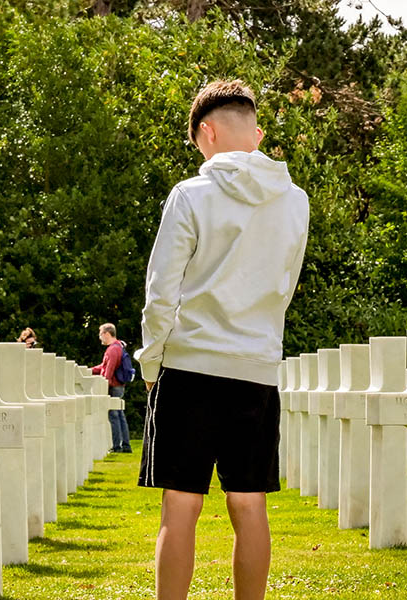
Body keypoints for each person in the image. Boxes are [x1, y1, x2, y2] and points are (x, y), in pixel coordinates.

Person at [134, 80, 309, 600]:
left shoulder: (190, 195)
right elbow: (285, 284)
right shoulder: (295, 201)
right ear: (254, 133)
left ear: (206, 132)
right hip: (255, 368)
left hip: (189, 367)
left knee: (181, 504)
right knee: (249, 502)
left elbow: (161, 292)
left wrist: (150, 364)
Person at [91, 323, 132, 453]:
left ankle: (117, 446)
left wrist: (104, 384)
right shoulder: (118, 346)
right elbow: (104, 366)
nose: (99, 337)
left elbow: (109, 370)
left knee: (114, 415)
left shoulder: (113, 349)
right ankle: (125, 445)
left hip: (114, 386)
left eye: (100, 334)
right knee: (119, 414)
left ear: (107, 334)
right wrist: (89, 370)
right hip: (118, 386)